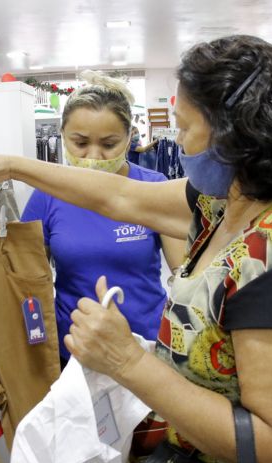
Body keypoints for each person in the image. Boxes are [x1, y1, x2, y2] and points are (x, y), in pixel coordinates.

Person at [0, 35, 272, 463]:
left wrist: (126, 360)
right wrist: (15, 166)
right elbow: (118, 196)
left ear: (236, 135)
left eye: (186, 127)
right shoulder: (229, 203)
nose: (180, 142)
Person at [20, 70, 181, 368]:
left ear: (130, 137)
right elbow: (26, 281)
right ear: (62, 135)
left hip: (147, 349)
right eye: (80, 143)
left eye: (109, 145)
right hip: (75, 354)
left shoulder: (153, 187)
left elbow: (184, 275)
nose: (94, 156)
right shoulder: (47, 195)